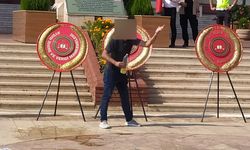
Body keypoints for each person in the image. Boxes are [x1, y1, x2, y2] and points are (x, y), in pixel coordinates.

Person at [99, 22, 164, 129]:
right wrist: (115, 63)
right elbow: (104, 54)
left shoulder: (131, 39)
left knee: (125, 96)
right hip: (111, 71)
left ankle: (129, 120)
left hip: (122, 71)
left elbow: (147, 44)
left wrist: (156, 33)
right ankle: (103, 120)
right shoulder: (115, 39)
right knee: (107, 95)